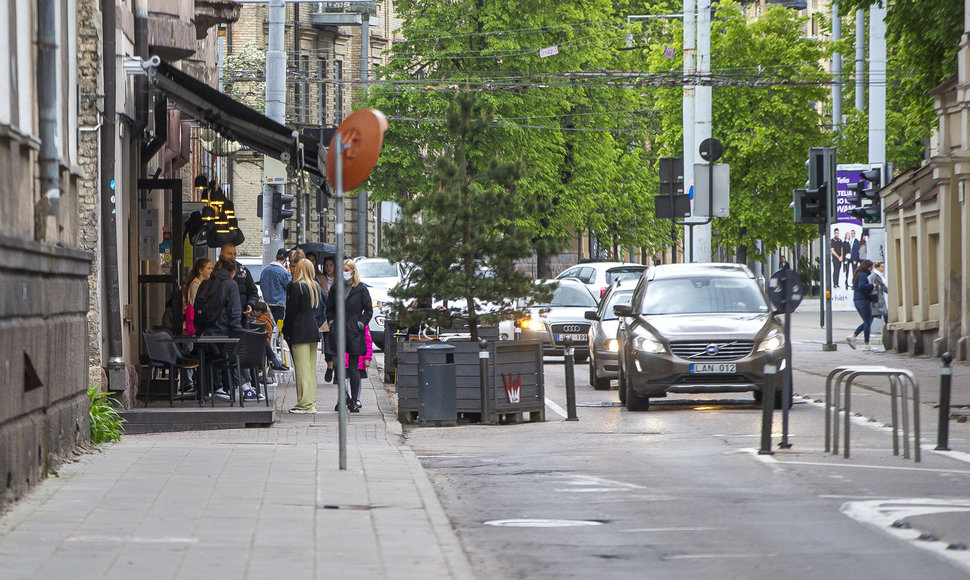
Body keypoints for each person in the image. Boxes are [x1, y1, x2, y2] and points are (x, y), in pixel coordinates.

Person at [327, 259, 373, 412]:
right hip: (338, 332)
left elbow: (368, 310)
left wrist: (361, 323)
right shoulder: (335, 289)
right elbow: (330, 309)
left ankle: (354, 400)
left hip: (354, 332)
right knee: (339, 368)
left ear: (353, 272)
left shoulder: (360, 289)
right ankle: (343, 398)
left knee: (353, 369)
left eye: (347, 270)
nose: (345, 273)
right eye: (342, 270)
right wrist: (332, 322)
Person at [195, 258, 243, 399]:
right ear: (232, 272)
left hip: (205, 334)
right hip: (224, 333)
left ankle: (204, 392)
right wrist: (237, 333)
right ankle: (224, 389)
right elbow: (235, 312)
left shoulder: (205, 283)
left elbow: (197, 307)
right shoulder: (231, 285)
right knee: (225, 359)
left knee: (206, 360)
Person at [283, 259, 322, 413]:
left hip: (299, 331)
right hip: (312, 330)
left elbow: (291, 312)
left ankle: (304, 404)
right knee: (310, 368)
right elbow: (318, 310)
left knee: (301, 368)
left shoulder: (295, 286)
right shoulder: (315, 286)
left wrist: (286, 331)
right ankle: (311, 402)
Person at [219, 243, 259, 324]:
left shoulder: (243, 271)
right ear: (222, 253)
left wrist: (250, 305)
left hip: (241, 317)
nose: (233, 257)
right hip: (221, 318)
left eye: (235, 254)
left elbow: (253, 292)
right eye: (230, 254)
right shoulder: (216, 271)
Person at [339, 326, 373, 413]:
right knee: (349, 379)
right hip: (347, 358)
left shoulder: (363, 325)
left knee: (357, 379)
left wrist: (368, 357)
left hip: (359, 358)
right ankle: (351, 398)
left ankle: (355, 399)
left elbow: (368, 341)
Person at [846, 259, 875, 351]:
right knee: (867, 322)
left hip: (857, 300)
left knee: (867, 321)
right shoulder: (863, 275)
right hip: (863, 300)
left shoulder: (857, 275)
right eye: (871, 267)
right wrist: (872, 286)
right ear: (867, 267)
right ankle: (867, 345)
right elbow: (862, 286)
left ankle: (853, 337)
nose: (871, 270)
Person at [254, 301, 289, 373]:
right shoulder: (268, 317)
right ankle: (275, 361)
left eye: (254, 311)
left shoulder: (262, 320)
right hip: (268, 344)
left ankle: (273, 362)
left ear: (259, 311)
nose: (253, 314)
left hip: (263, 344)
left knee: (261, 340)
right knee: (262, 340)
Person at [182, 257, 212, 336]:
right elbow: (196, 302)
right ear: (201, 270)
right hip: (195, 319)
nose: (211, 271)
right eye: (208, 268)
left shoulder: (201, 284)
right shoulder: (196, 285)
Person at [259, 248, 291, 322]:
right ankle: (279, 333)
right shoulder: (284, 272)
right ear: (285, 259)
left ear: (276, 256)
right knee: (279, 325)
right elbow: (289, 287)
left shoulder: (265, 270)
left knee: (269, 325)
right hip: (279, 305)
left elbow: (261, 286)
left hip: (267, 304)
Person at [320, 255, 337, 383]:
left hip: (337, 316)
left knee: (338, 343)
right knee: (327, 343)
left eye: (331, 265)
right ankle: (329, 365)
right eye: (326, 265)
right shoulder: (321, 279)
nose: (328, 268)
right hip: (326, 315)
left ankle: (336, 368)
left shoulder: (340, 280)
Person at [870, 261, 889, 325]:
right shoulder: (875, 276)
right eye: (882, 267)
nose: (883, 268)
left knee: (884, 314)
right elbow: (871, 286)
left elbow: (883, 287)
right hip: (877, 299)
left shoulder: (879, 275)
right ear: (877, 268)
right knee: (884, 314)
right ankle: (857, 333)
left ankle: (857, 333)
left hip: (879, 299)